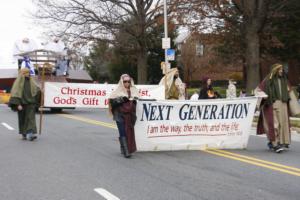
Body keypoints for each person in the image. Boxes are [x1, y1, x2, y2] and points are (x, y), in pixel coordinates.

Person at [256, 63, 291, 153]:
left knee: (282, 124)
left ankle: (277, 142)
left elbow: (290, 92)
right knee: (273, 125)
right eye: (279, 69)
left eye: (282, 70)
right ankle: (275, 144)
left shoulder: (284, 80)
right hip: (271, 105)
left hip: (282, 104)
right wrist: (263, 96)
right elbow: (258, 90)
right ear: (275, 70)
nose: (281, 71)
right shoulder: (268, 80)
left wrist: (295, 109)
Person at [109, 74, 139, 158]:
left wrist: (134, 100)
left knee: (129, 131)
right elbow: (112, 102)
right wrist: (121, 99)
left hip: (130, 115)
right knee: (122, 131)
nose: (127, 83)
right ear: (122, 82)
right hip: (119, 114)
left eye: (128, 81)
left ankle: (124, 148)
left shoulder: (134, 90)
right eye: (125, 81)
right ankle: (126, 151)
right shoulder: (117, 91)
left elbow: (137, 101)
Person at [8, 68, 40, 141]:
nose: (28, 74)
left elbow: (36, 91)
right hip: (21, 104)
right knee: (22, 120)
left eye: (28, 73)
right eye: (26, 73)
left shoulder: (32, 81)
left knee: (31, 119)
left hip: (31, 104)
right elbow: (15, 93)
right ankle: (24, 134)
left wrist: (41, 91)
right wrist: (17, 104)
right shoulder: (18, 83)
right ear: (22, 74)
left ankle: (31, 134)